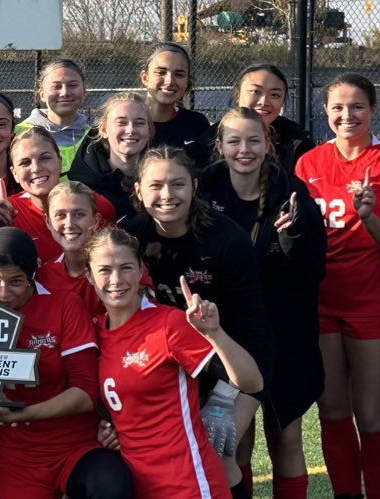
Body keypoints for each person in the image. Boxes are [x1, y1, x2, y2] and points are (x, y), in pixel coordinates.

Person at [119, 147, 274, 498]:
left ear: (194, 186)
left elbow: (252, 330)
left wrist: (225, 397)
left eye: (178, 184)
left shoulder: (227, 240)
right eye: (156, 185)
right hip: (174, 365)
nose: (167, 195)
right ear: (138, 189)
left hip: (236, 361)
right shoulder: (131, 236)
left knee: (217, 451)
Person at [0, 227, 133, 499]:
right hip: (19, 453)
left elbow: (85, 394)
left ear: (32, 277)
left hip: (75, 443)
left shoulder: (63, 304)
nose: (3, 293)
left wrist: (21, 414)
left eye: (16, 281)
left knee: (110, 488)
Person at [199, 107, 327, 499]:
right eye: (234, 141)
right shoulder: (203, 190)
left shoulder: (294, 194)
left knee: (286, 436)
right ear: (220, 145)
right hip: (230, 336)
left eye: (254, 140)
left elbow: (313, 272)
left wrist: (292, 240)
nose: (244, 150)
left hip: (286, 330)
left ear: (268, 144)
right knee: (233, 442)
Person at [86, 225, 263, 499]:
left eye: (126, 267)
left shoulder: (168, 324)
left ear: (141, 269)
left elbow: (251, 382)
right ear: (89, 276)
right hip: (139, 485)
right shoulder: (94, 332)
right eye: (105, 270)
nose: (116, 279)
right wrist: (108, 427)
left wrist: (215, 333)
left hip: (189, 484)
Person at [294, 72, 380, 499]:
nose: (347, 115)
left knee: (372, 417)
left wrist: (368, 217)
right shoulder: (309, 163)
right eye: (338, 107)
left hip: (374, 303)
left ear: (373, 110)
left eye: (357, 106)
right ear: (325, 111)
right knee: (333, 412)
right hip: (321, 302)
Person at [4, 127, 116, 262]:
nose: (36, 168)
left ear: (60, 161)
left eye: (45, 158)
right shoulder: (7, 213)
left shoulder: (97, 205)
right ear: (14, 173)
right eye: (25, 162)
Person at [193, 64, 315, 170]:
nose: (264, 102)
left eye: (275, 95)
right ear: (237, 95)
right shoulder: (207, 142)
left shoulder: (299, 144)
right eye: (256, 92)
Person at [69, 92, 153, 218]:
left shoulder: (161, 181)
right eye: (121, 123)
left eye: (139, 123)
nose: (131, 130)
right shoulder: (83, 187)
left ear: (149, 130)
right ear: (103, 130)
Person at [35, 181, 107, 316]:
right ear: (48, 222)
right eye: (60, 215)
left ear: (96, 220)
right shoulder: (43, 278)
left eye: (79, 214)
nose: (69, 224)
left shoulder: (118, 269)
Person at [15, 58, 92, 174]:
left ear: (84, 91)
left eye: (72, 85)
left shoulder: (95, 137)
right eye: (56, 86)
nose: (65, 93)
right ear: (42, 94)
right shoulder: (18, 133)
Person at [141, 43, 209, 157]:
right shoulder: (128, 123)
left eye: (179, 74)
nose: (169, 81)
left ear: (187, 81)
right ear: (145, 78)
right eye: (161, 72)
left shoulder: (196, 124)